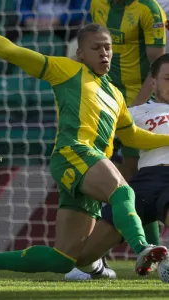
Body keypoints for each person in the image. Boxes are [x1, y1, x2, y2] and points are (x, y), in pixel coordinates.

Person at [0, 8, 169, 282]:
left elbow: (133, 137)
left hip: (88, 166)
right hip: (73, 153)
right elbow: (9, 50)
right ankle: (144, 248)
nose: (104, 53)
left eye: (108, 48)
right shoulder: (66, 70)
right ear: (80, 53)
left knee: (64, 259)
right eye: (96, 48)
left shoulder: (115, 94)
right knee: (124, 193)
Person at [65, 53, 169, 280]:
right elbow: (97, 131)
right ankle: (104, 267)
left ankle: (164, 263)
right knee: (83, 259)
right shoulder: (136, 113)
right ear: (153, 82)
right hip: (146, 180)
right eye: (168, 78)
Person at [91, 0, 167, 247]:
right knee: (98, 167)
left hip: (139, 98)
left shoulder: (149, 9)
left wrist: (134, 108)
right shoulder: (97, 4)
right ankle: (95, 248)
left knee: (134, 172)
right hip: (108, 95)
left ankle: (148, 248)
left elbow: (157, 66)